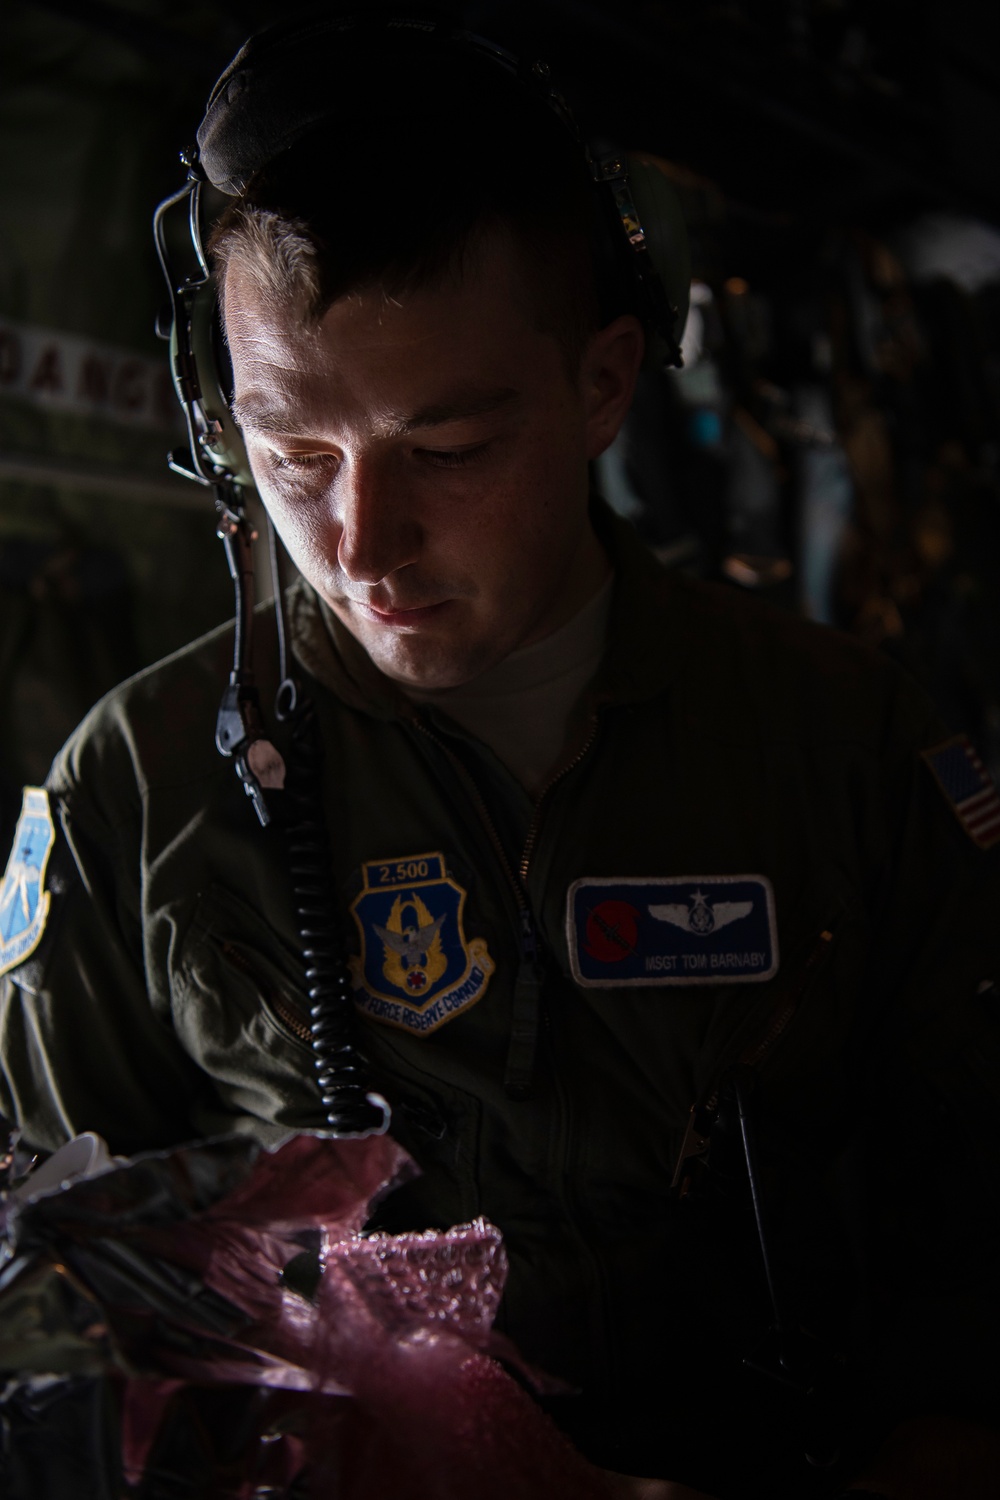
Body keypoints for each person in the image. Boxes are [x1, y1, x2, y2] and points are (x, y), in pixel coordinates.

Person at [1, 12, 999, 1499]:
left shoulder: (845, 745)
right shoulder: (132, 790)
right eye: (292, 458)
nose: (360, 545)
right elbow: (43, 1299)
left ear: (604, 387)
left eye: (449, 449)